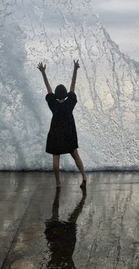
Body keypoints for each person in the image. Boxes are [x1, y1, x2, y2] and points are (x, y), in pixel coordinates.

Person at [37, 60, 87, 188]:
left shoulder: (52, 103)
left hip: (55, 132)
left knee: (56, 157)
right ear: (65, 94)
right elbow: (73, 84)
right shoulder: (70, 102)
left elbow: (48, 88)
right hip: (69, 132)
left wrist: (43, 72)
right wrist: (75, 69)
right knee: (75, 154)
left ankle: (58, 183)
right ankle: (84, 176)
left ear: (56, 94)